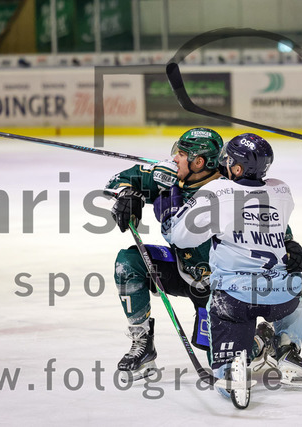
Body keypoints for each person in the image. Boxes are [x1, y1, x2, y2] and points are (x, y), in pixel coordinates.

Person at [167, 133, 302, 404]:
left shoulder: (216, 193)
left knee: (223, 368)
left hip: (235, 298)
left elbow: (180, 237)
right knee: (293, 283)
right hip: (281, 297)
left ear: (238, 168)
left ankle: (231, 370)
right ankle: (287, 351)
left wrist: (171, 198)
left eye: (228, 160)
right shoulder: (281, 191)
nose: (223, 164)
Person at [106, 128, 224, 380]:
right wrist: (127, 194)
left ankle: (262, 341)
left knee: (222, 364)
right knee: (129, 262)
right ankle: (142, 344)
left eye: (181, 154)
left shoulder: (230, 190)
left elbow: (264, 220)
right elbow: (119, 180)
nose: (174, 158)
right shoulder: (169, 176)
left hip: (222, 288)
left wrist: (288, 243)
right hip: (181, 270)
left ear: (198, 162)